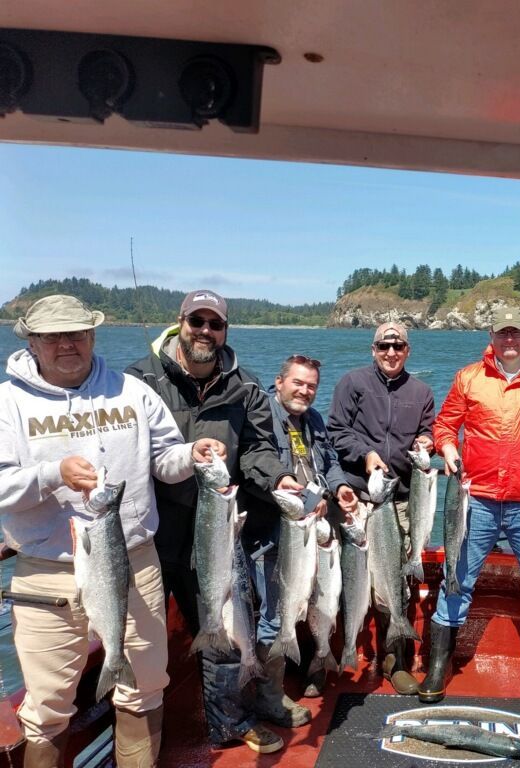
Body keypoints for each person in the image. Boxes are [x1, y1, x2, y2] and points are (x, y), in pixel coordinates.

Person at [0, 295, 225, 768]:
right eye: (53, 337)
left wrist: (192, 455)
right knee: (47, 708)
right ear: (32, 342)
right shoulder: (7, 403)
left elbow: (165, 459)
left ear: (93, 335)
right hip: (45, 574)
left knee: (145, 687)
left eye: (77, 333)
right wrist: (52, 474)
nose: (67, 344)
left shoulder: (132, 391)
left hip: (135, 561)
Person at [126, 290, 305, 754]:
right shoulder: (139, 381)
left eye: (215, 324)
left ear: (226, 330)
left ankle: (230, 722)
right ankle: (141, 734)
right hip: (154, 531)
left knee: (223, 627)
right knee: (138, 636)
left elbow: (259, 449)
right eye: (197, 321)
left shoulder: (246, 386)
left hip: (219, 529)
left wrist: (279, 478)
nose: (205, 331)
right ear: (180, 322)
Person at [421, 308, 520, 704]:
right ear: (491, 336)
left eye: (515, 333)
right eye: (502, 333)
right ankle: (439, 663)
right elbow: (445, 425)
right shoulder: (468, 378)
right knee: (457, 577)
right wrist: (448, 449)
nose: (509, 340)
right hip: (475, 499)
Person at [242, 354, 357, 717]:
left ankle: (316, 666)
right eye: (298, 383)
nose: (305, 391)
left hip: (315, 531)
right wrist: (303, 496)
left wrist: (339, 488)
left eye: (311, 386)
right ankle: (270, 696)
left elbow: (329, 463)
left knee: (322, 601)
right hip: (275, 537)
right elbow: (255, 468)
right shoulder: (261, 416)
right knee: (277, 615)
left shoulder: (314, 420)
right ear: (279, 382)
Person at [326, 322, 435, 695]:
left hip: (400, 499)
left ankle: (395, 660)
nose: (391, 352)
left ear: (408, 351)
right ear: (373, 349)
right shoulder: (352, 383)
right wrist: (366, 454)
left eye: (398, 346)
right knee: (348, 581)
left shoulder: (421, 392)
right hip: (357, 499)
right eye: (384, 346)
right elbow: (336, 431)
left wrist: (426, 441)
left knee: (397, 583)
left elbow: (429, 431)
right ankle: (329, 655)